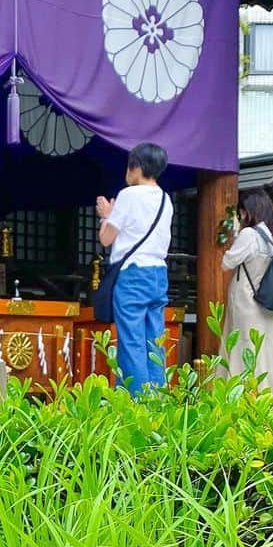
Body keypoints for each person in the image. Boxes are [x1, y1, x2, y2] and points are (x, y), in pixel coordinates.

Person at [95, 142, 173, 396]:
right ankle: (158, 401)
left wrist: (107, 215)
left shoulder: (128, 195)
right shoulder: (165, 199)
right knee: (154, 341)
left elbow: (107, 239)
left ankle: (138, 405)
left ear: (136, 166)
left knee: (131, 342)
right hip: (158, 275)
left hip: (133, 275)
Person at [219, 187, 273, 398]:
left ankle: (241, 392)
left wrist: (235, 232)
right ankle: (271, 391)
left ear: (248, 211)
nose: (240, 215)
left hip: (247, 299)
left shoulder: (249, 234)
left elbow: (227, 262)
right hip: (267, 299)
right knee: (267, 346)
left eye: (241, 211)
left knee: (244, 344)